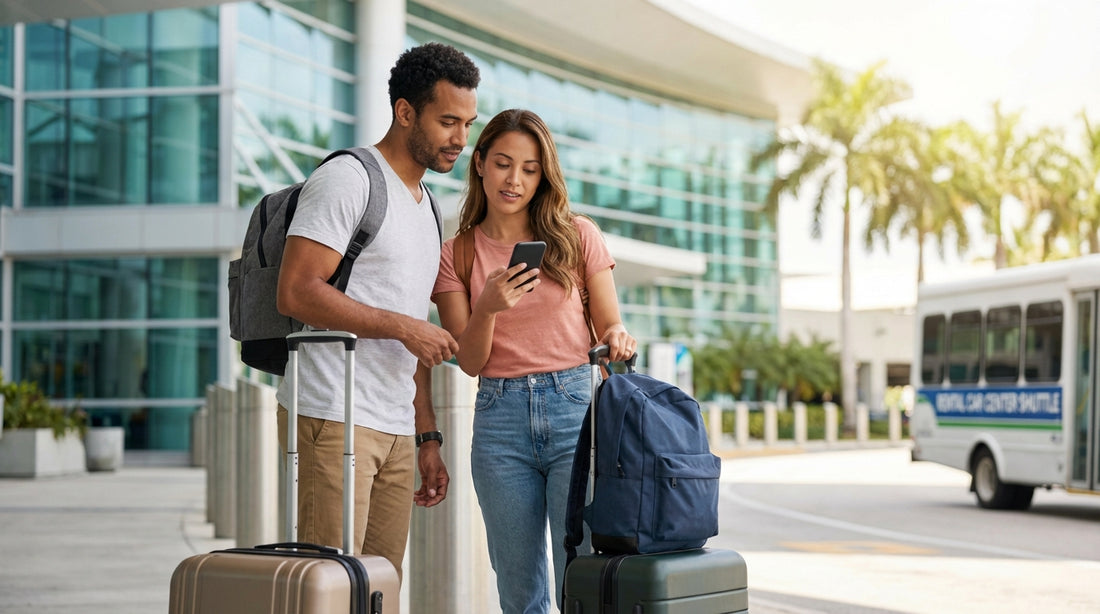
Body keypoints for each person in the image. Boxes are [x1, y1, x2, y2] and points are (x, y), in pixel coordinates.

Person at [273, 42, 480, 582]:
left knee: (379, 589)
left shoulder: (428, 206)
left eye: (467, 123)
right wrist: (403, 326)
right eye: (448, 121)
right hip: (334, 413)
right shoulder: (349, 179)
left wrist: (427, 437)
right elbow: (295, 291)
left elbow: (413, 337)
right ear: (405, 112)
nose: (461, 139)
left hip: (392, 425)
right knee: (329, 588)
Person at [432, 109, 637, 613]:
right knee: (519, 588)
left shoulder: (577, 235)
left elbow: (609, 325)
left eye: (529, 168)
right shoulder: (455, 255)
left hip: (576, 412)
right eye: (503, 163)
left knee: (582, 575)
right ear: (479, 163)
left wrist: (618, 336)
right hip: (500, 424)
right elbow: (471, 362)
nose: (514, 179)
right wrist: (488, 309)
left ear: (543, 174)